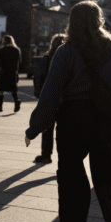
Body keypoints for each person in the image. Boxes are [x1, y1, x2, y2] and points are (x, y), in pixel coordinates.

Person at [24, 1, 111, 222]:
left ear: (71, 22)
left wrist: (35, 127)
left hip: (74, 118)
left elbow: (50, 93)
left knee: (71, 175)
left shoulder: (65, 52)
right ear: (99, 20)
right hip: (108, 118)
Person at [32, 33, 66, 164]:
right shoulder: (69, 59)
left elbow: (38, 77)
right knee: (63, 132)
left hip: (49, 99)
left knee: (47, 129)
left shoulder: (46, 59)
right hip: (65, 100)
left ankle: (46, 155)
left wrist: (39, 94)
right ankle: (64, 157)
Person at [0, 35, 22, 113]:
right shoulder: (17, 50)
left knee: (1, 89)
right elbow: (19, 61)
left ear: (5, 41)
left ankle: (0, 107)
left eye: (3, 40)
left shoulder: (1, 50)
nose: (2, 41)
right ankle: (16, 101)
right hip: (13, 72)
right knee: (13, 89)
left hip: (3, 71)